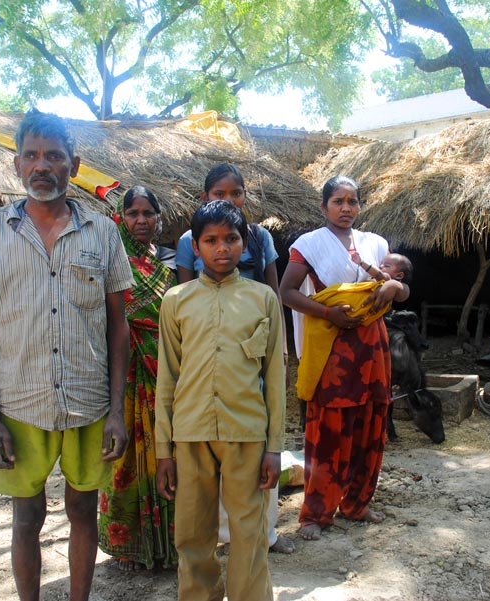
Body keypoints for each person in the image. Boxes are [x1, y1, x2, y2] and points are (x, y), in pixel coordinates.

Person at [0, 109, 134, 601]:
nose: (42, 166)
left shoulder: (102, 232)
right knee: (26, 515)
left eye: (54, 156)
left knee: (82, 510)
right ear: (15, 164)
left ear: (73, 166)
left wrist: (116, 411)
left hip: (89, 401)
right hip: (19, 403)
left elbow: (118, 327)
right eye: (31, 155)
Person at [155, 200, 285, 601]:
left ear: (244, 243)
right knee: (192, 532)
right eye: (210, 240)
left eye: (230, 239)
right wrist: (164, 450)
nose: (221, 248)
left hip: (246, 432)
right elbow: (168, 378)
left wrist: (275, 448)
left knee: (249, 530)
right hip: (190, 433)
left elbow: (275, 378)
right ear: (195, 247)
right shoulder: (175, 301)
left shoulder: (264, 299)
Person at [279, 174, 410, 542]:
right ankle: (315, 514)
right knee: (327, 430)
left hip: (373, 347)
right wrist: (327, 314)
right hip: (332, 346)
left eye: (352, 201)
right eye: (338, 201)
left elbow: (403, 290)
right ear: (324, 207)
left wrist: (394, 286)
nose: (346, 208)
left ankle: (356, 503)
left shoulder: (376, 243)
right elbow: (286, 291)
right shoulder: (309, 244)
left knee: (371, 423)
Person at [175, 162, 294, 555]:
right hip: (211, 353)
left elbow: (274, 291)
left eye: (236, 193)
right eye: (219, 194)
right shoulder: (189, 241)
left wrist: (276, 345)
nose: (229, 200)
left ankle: (264, 534)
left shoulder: (259, 238)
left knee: (257, 447)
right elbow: (188, 302)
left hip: (254, 341)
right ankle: (225, 536)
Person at [98, 185, 178, 571]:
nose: (141, 220)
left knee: (167, 455)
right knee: (127, 458)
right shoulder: (111, 262)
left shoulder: (168, 263)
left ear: (160, 217)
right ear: (121, 217)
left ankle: (167, 546)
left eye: (149, 213)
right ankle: (129, 547)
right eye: (133, 213)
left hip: (164, 372)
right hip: (124, 376)